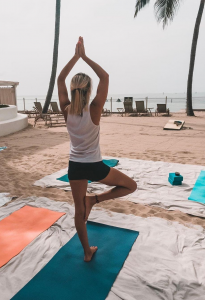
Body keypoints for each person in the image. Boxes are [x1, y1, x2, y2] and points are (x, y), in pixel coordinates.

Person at [57, 37, 137, 262]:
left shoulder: (66, 109)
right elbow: (105, 76)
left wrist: (75, 57)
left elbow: (61, 78)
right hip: (95, 166)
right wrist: (84, 57)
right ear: (89, 90)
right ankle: (96, 199)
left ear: (72, 90)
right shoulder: (95, 108)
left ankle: (86, 252)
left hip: (75, 167)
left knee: (78, 212)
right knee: (130, 186)